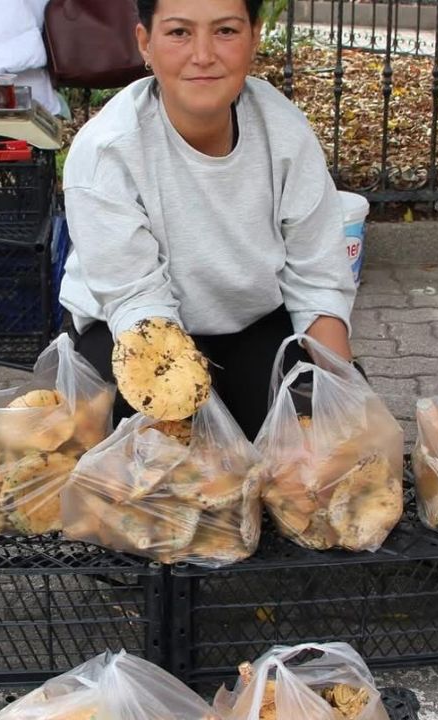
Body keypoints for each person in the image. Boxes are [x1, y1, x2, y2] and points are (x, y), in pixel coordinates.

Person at [59, 0, 357, 439]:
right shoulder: (107, 152)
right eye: (179, 32)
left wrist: (347, 399)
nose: (202, 55)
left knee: (316, 433)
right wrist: (195, 435)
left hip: (251, 324)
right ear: (146, 42)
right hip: (132, 333)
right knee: (158, 460)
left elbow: (318, 282)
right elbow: (137, 301)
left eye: (226, 31)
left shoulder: (285, 133)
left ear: (254, 36)